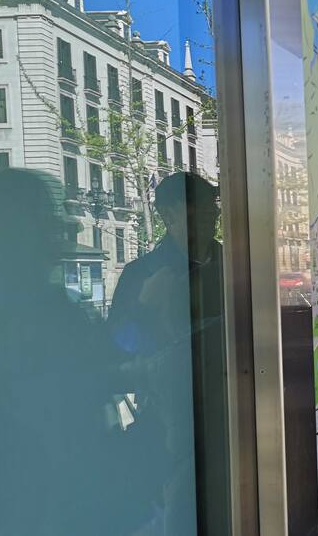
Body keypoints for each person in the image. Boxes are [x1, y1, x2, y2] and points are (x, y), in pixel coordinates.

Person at [0, 169, 134, 534]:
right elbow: (101, 369)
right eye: (47, 217)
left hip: (1, 473)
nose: (56, 228)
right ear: (27, 228)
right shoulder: (42, 307)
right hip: (57, 479)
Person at [107, 171, 229, 533]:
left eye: (212, 211)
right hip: (173, 425)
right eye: (200, 212)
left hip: (232, 414)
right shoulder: (142, 274)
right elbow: (118, 348)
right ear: (169, 216)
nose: (210, 220)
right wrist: (145, 308)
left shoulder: (237, 265)